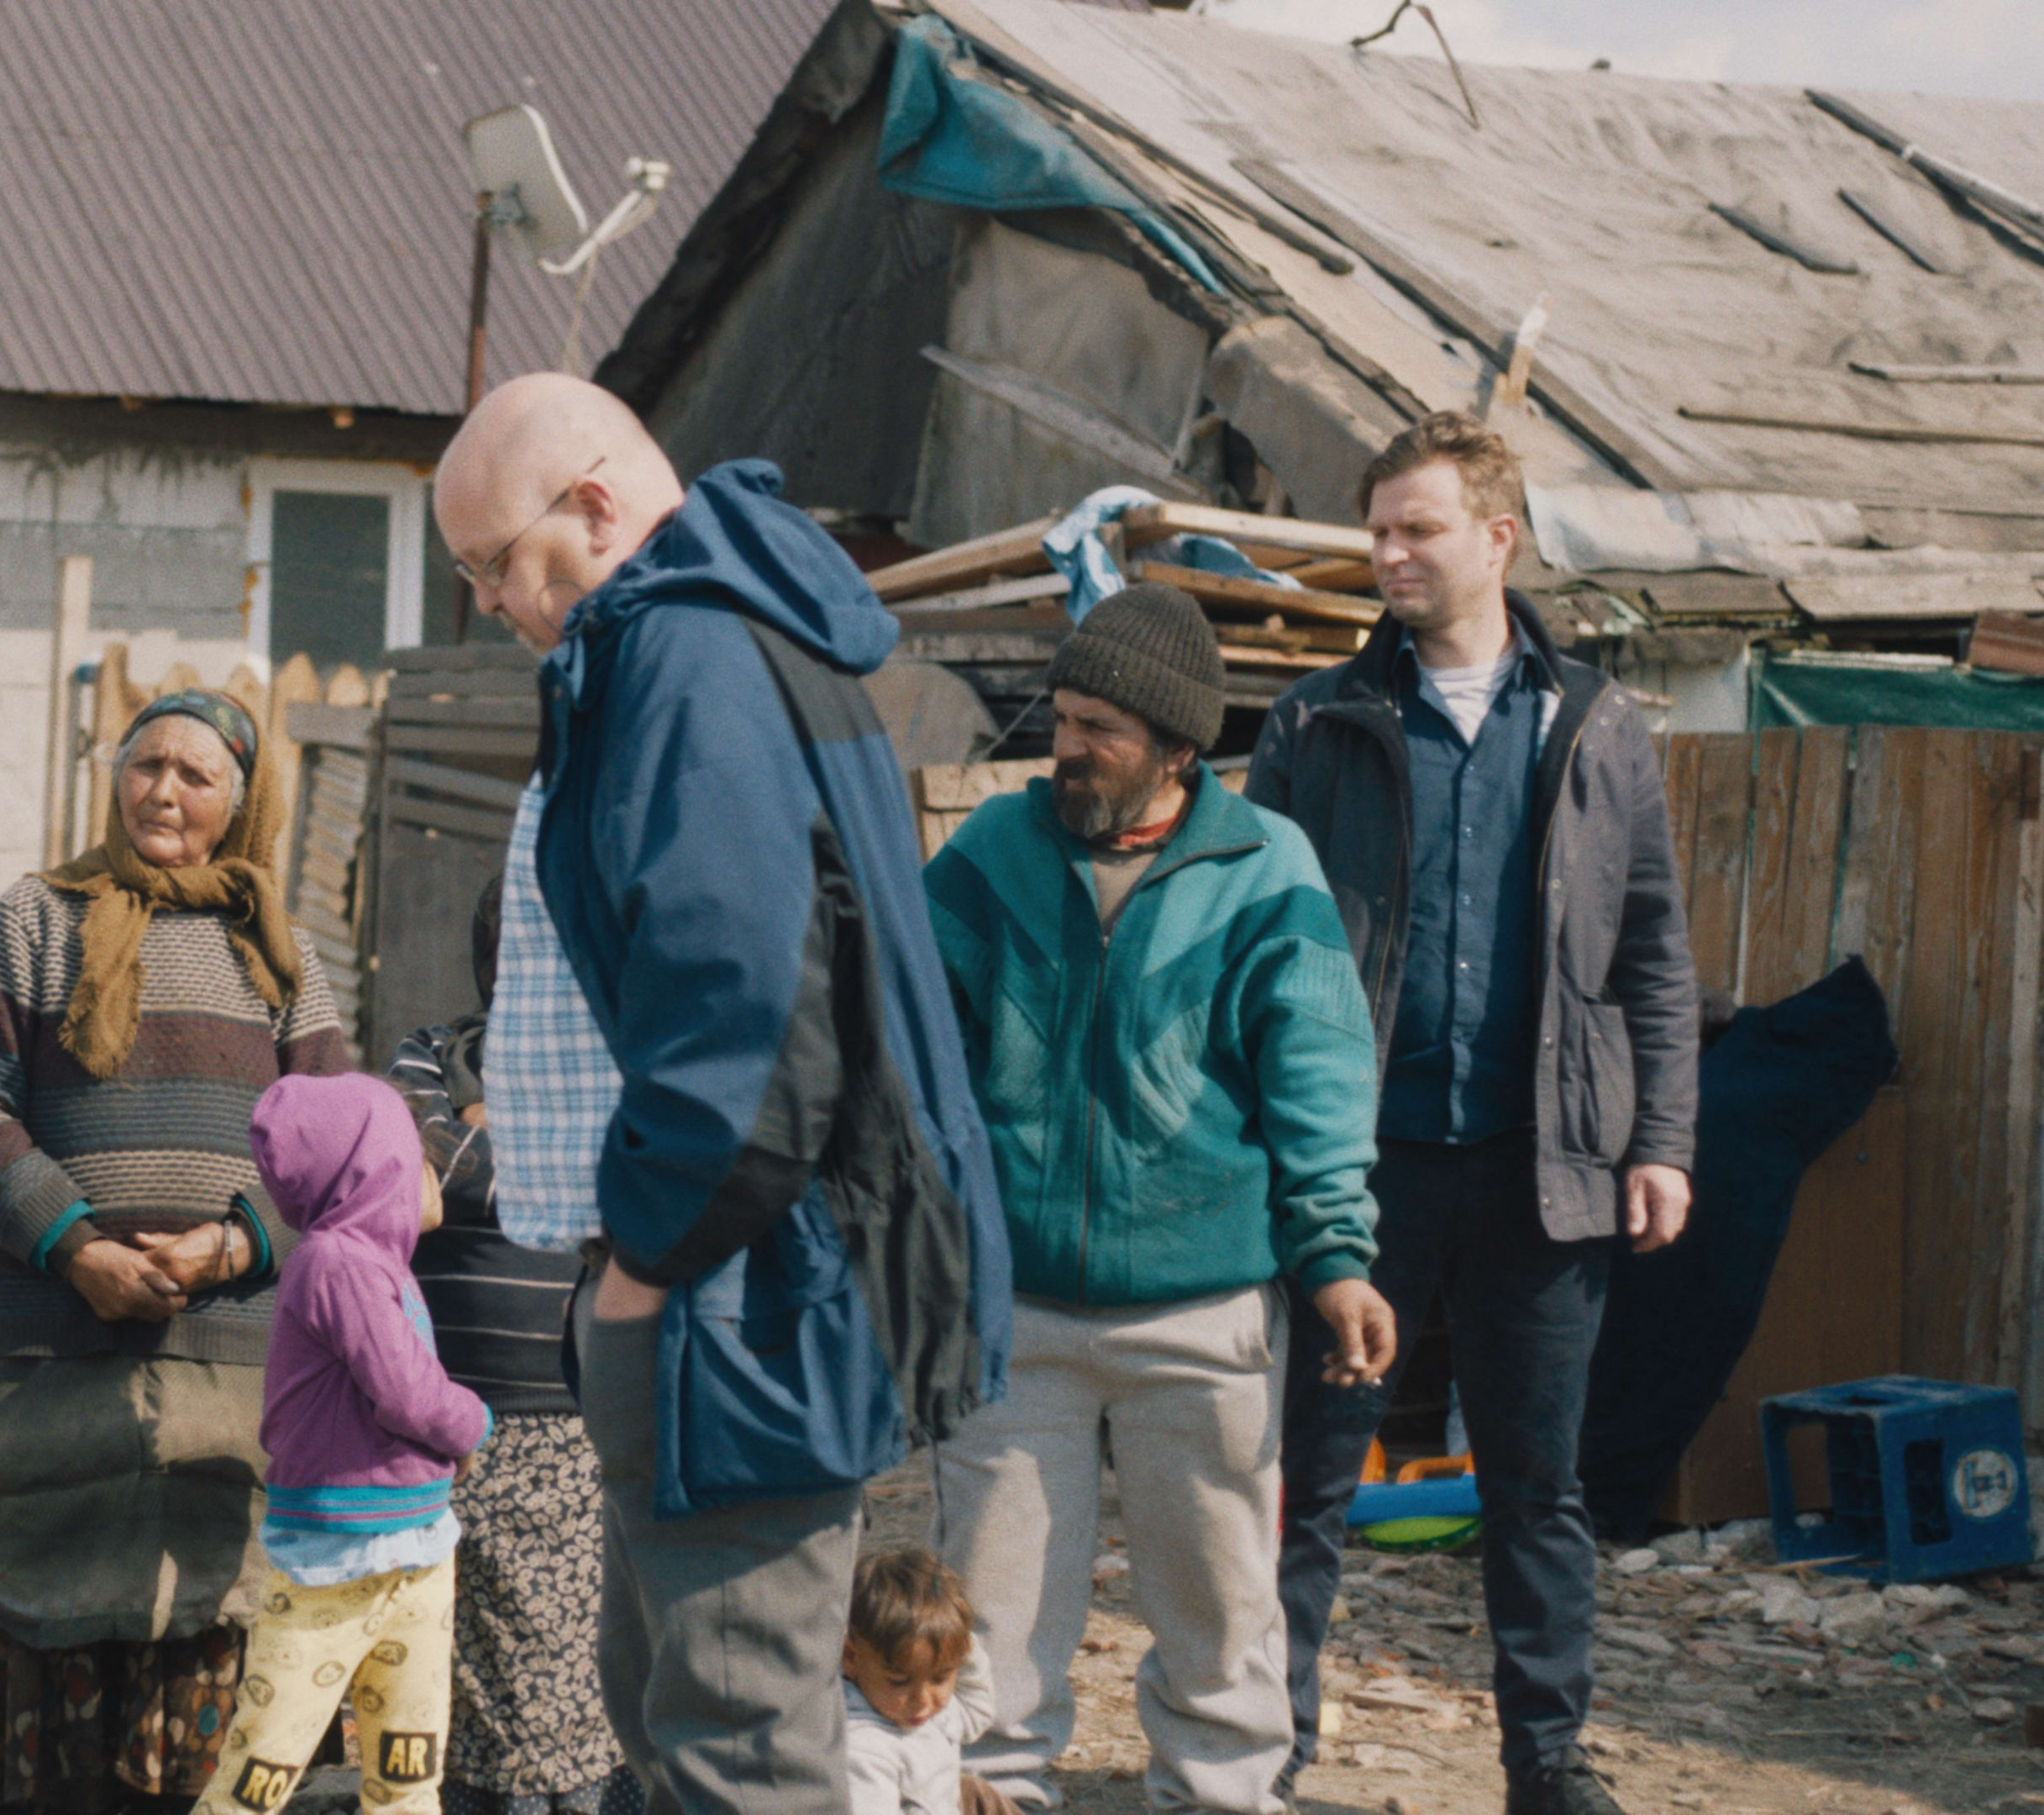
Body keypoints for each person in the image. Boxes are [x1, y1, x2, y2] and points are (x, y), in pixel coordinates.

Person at [432, 372, 1012, 1815]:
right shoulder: (712, 638)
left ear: (595, 505)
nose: (490, 604)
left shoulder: (686, 661)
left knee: (735, 1747)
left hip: (736, 1294)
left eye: (496, 563)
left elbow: (746, 1027)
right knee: (672, 1710)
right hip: (741, 1280)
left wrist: (641, 1261)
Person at [1247, 412, 1699, 1815]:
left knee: (1536, 1488)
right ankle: (1267, 1754)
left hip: (1541, 1171)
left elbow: (1652, 953)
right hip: (1355, 1171)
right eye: (1378, 530)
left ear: (1497, 539)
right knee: (1307, 1478)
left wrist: (1663, 1143)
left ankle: (1546, 1762)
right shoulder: (1317, 723)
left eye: (1417, 529)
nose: (1389, 554)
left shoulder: (1595, 723)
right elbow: (1251, 941)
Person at [921, 582, 1393, 1815]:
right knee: (992, 1610)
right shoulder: (989, 854)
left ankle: (1220, 1796)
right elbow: (916, 1056)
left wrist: (1337, 1259)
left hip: (1205, 1312)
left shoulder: (1266, 869)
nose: (1067, 746)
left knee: (1221, 1607)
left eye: (1101, 729)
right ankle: (991, 1792)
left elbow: (1321, 1080)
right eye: (1063, 717)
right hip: (1015, 1312)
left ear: (1178, 749)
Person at [0, 688, 351, 1814]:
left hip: (230, 1359)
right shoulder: (38, 919)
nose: (164, 792)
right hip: (53, 1347)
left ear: (239, 801)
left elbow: (333, 1155)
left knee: (209, 1604)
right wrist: (76, 1249)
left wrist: (234, 1245)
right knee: (40, 1587)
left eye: (195, 775)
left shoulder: (281, 951)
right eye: (145, 765)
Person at [385, 893, 628, 1815]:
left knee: (569, 1668)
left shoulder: (618, 1060)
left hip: (573, 1425)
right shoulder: (431, 1051)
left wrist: (490, 1138)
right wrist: (548, 1157)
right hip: (445, 1422)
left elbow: (619, 1178)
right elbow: (410, 1162)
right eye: (508, 947)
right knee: (466, 1670)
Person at [191, 1071, 493, 1815]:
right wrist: (473, 1424)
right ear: (374, 1171)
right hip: (335, 1563)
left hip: (416, 1550)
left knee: (408, 1767)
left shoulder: (380, 1265)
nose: (428, 1169)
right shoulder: (339, 1263)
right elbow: (407, 1393)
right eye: (412, 1153)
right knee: (263, 1766)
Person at [840, 1549, 1011, 1815]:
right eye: (899, 1681)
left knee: (978, 1794)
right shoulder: (864, 1748)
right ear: (851, 1658)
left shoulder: (926, 1712)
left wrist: (961, 1644)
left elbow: (977, 1712)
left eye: (940, 1678)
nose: (923, 1700)